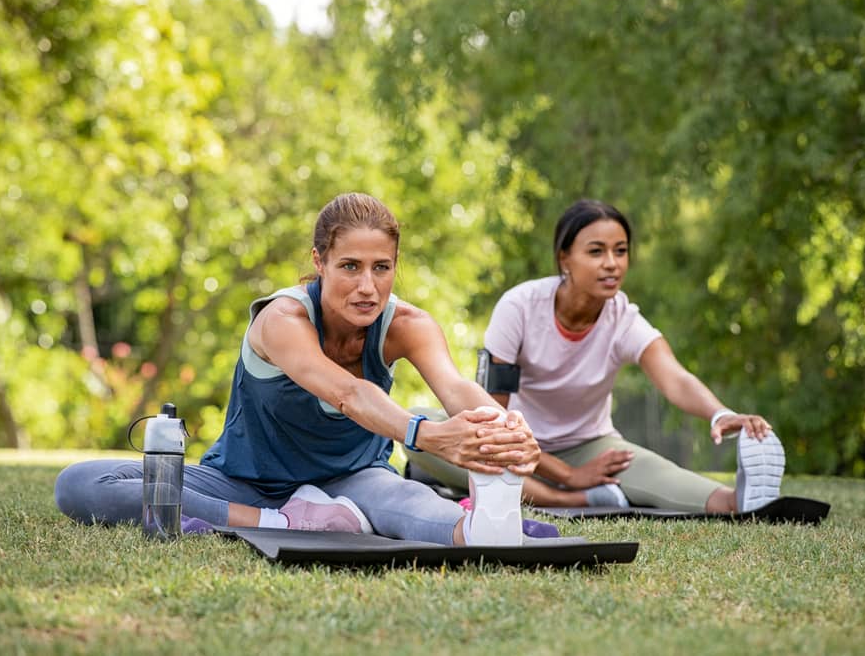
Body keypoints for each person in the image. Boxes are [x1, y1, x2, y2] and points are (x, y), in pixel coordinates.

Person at [55, 192, 541, 545]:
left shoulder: (407, 324)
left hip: (352, 479)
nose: (368, 287)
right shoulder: (281, 320)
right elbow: (346, 393)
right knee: (80, 484)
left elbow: (455, 388)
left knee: (409, 505)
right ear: (320, 261)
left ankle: (482, 524)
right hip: (246, 483)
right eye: (350, 266)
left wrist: (506, 429)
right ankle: (287, 524)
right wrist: (428, 435)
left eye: (382, 268)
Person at [408, 199, 785, 514]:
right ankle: (566, 499)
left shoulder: (623, 317)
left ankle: (742, 500)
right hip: (517, 442)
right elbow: (494, 416)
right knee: (420, 429)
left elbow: (674, 377)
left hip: (592, 445)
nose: (612, 263)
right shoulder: (520, 307)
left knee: (688, 488)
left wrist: (721, 414)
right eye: (597, 251)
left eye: (620, 251)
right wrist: (567, 477)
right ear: (564, 259)